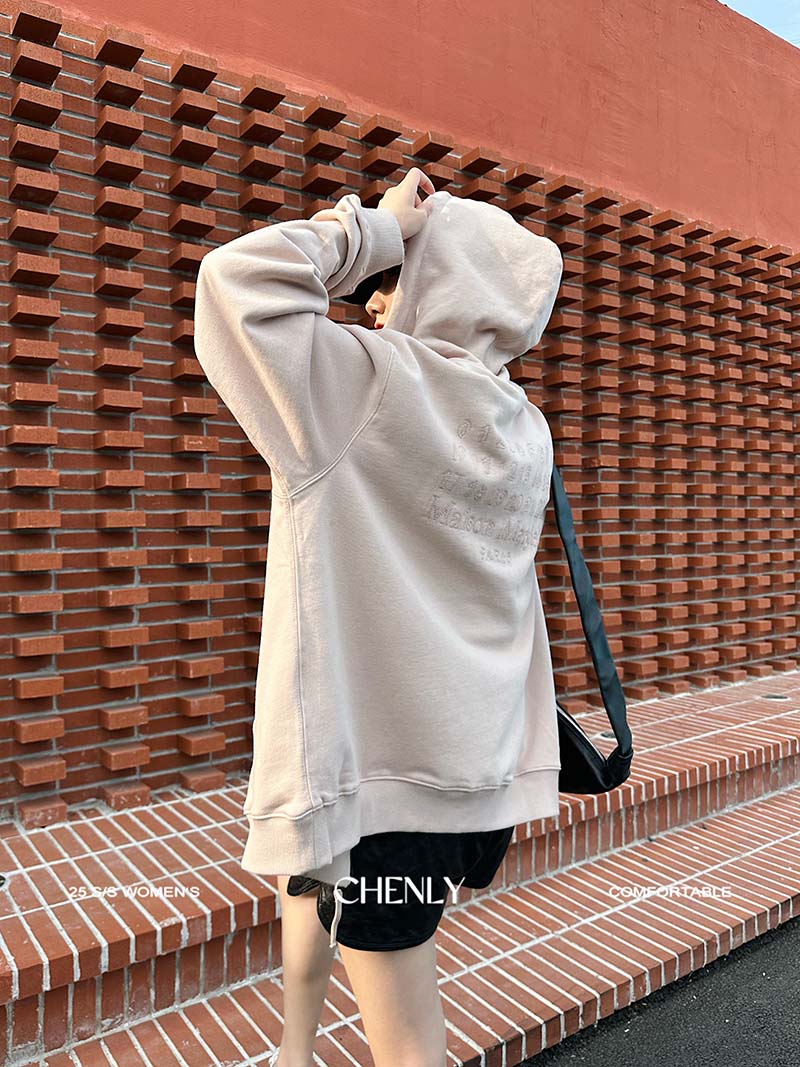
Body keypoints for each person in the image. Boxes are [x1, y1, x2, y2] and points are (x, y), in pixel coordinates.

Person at [193, 168, 564, 1067]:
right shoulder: (523, 424)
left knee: (406, 1038)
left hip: (377, 779)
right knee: (315, 890)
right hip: (468, 766)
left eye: (395, 283)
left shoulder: (368, 384)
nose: (371, 304)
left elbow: (235, 282)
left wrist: (374, 229)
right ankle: (293, 1050)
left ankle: (293, 1049)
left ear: (446, 282)